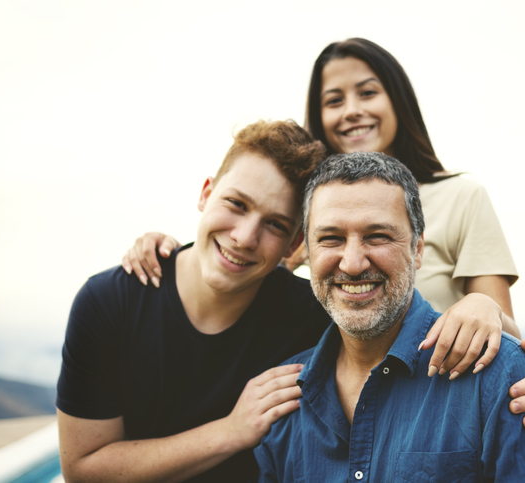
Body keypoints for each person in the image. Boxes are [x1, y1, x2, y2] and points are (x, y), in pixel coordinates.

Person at [123, 38, 525, 437]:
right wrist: (172, 253)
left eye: (368, 92)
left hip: (442, 415)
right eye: (334, 99)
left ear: (397, 101)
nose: (352, 110)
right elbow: (240, 267)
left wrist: (484, 307)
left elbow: (504, 332)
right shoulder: (309, 218)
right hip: (333, 426)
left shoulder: (461, 196)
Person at [254, 152, 525, 482]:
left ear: (417, 249)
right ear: (308, 254)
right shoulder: (282, 401)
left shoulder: (507, 379)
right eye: (331, 239)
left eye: (378, 236)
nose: (353, 263)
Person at [57, 121, 333, 482]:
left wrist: (435, 327)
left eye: (275, 225)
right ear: (206, 193)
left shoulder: (313, 317)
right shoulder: (109, 302)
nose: (244, 237)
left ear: (295, 245)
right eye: (236, 203)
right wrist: (231, 431)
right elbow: (82, 470)